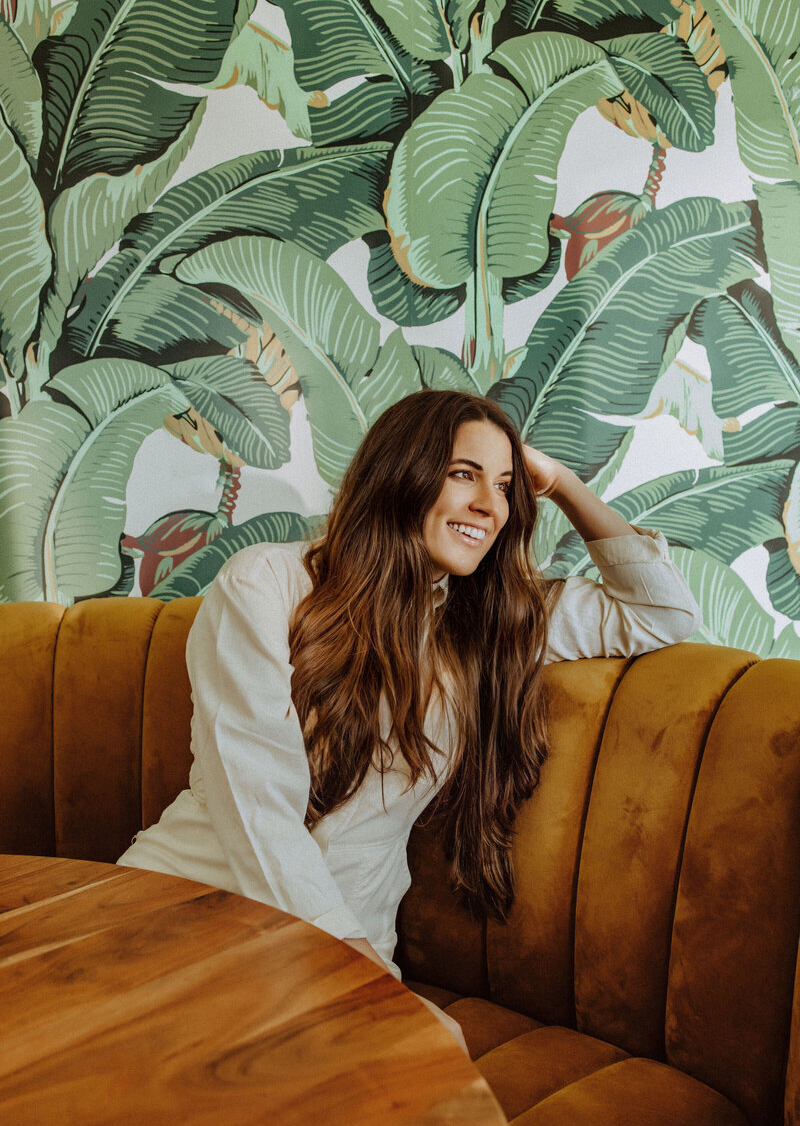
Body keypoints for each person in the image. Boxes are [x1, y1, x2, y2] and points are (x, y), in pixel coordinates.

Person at [118, 390, 700, 1046]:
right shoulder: (264, 583)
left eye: (505, 487)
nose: (489, 504)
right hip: (188, 908)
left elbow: (663, 616)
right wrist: (351, 964)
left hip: (345, 949)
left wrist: (560, 482)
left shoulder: (489, 624)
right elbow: (258, 802)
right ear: (400, 474)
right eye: (463, 474)